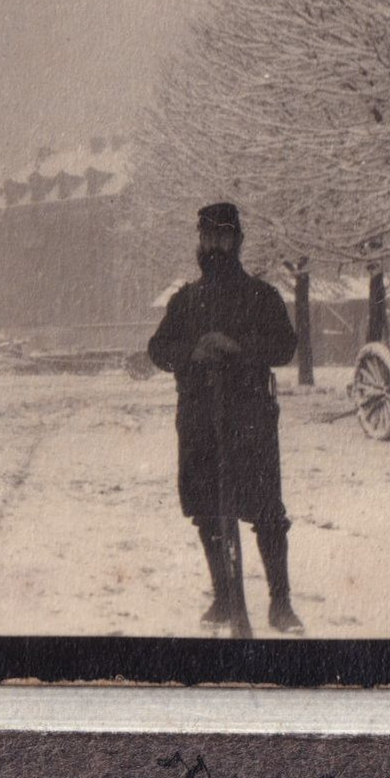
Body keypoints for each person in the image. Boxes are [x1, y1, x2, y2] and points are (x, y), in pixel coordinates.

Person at [147, 202, 303, 633]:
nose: (214, 245)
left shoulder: (261, 296)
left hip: (249, 420)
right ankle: (224, 598)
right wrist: (193, 351)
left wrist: (237, 346)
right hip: (198, 422)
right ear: (200, 242)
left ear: (237, 241)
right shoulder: (185, 300)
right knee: (208, 512)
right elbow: (158, 349)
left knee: (267, 511)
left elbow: (285, 346)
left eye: (223, 236)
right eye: (207, 237)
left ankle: (280, 604)